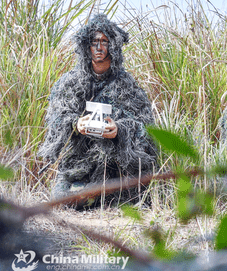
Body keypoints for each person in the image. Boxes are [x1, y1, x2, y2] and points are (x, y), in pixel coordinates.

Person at [39, 14, 157, 206]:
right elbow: (55, 119)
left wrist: (119, 130)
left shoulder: (127, 86)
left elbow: (146, 129)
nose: (99, 47)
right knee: (64, 200)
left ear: (113, 46)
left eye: (104, 41)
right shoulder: (70, 83)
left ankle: (110, 195)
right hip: (79, 164)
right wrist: (76, 123)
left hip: (115, 165)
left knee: (120, 197)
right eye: (94, 42)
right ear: (86, 45)